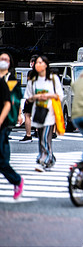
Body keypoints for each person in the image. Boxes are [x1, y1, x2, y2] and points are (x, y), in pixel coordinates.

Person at [24, 56, 64, 172]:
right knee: (41, 137)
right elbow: (28, 97)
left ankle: (44, 159)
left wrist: (48, 96)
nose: (38, 64)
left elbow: (60, 95)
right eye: (37, 63)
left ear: (46, 64)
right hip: (38, 113)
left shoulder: (53, 79)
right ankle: (49, 157)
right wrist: (36, 97)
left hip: (50, 113)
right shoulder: (33, 81)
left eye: (41, 62)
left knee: (46, 137)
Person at [0, 52, 24, 199]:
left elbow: (15, 99)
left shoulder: (11, 79)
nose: (3, 61)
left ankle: (15, 178)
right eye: (1, 59)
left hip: (6, 118)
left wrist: (19, 114)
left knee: (2, 154)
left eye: (6, 59)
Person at [18, 55, 38, 143]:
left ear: (33, 63)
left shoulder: (31, 73)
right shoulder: (43, 72)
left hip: (31, 96)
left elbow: (29, 86)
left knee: (27, 115)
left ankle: (28, 134)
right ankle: (38, 131)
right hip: (41, 96)